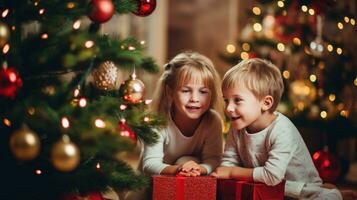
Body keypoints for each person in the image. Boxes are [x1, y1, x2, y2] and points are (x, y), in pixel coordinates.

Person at [213, 58, 357, 200]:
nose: (229, 108)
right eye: (226, 100)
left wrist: (232, 173)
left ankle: (330, 194)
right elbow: (228, 162)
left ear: (266, 103)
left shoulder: (281, 129)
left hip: (298, 189)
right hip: (267, 187)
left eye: (237, 100)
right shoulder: (237, 124)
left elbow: (272, 176)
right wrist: (225, 173)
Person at [140, 51, 224, 177]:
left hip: (190, 176)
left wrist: (199, 169)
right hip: (151, 180)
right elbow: (149, 163)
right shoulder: (157, 120)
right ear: (170, 92)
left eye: (203, 91)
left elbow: (213, 160)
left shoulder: (212, 120)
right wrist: (179, 170)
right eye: (186, 91)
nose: (194, 98)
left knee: (187, 160)